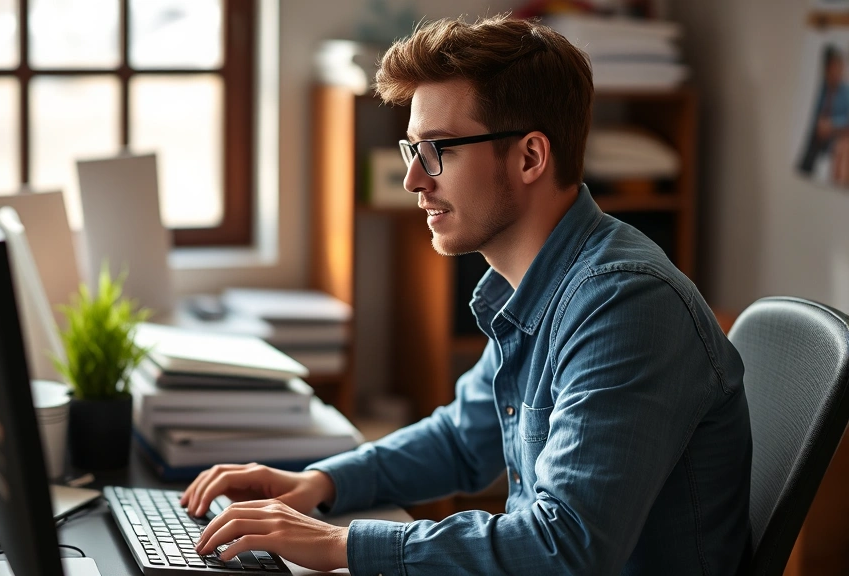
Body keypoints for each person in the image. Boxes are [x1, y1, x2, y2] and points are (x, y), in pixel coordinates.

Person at [183, 14, 752, 575]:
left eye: (438, 150)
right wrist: (321, 483)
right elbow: (462, 438)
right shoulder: (532, 286)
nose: (413, 181)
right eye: (412, 150)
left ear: (530, 156)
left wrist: (342, 545)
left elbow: (567, 546)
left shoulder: (624, 305)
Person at [798, 44, 849, 178]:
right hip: (819, 134)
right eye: (834, 67)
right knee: (807, 158)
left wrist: (831, 125)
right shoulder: (821, 89)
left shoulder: (845, 92)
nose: (837, 70)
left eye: (840, 66)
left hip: (837, 134)